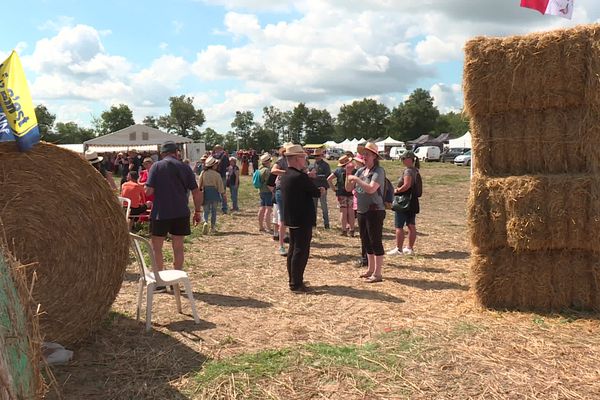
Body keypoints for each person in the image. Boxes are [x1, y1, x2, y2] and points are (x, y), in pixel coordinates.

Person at [145, 141, 203, 283]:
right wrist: (197, 211)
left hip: (161, 213)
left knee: (156, 248)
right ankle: (177, 279)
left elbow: (148, 191)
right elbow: (196, 192)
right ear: (176, 152)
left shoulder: (156, 166)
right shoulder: (185, 167)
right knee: (178, 247)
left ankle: (159, 280)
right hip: (181, 212)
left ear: (162, 153)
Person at [280, 144, 325, 293]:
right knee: (301, 250)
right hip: (302, 218)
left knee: (293, 249)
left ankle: (294, 279)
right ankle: (296, 284)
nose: (305, 160)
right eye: (303, 157)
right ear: (297, 158)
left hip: (292, 218)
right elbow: (316, 192)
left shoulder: (286, 174)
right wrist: (321, 189)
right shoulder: (299, 176)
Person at [345, 142, 386, 283]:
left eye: (367, 154)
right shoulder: (361, 171)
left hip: (374, 210)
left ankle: (378, 273)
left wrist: (356, 179)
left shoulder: (378, 172)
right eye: (364, 153)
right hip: (362, 210)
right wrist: (348, 173)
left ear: (374, 156)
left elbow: (371, 189)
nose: (364, 156)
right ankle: (370, 270)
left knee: (375, 241)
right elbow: (348, 188)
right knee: (366, 241)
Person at [387, 150, 420, 256]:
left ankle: (399, 248)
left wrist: (396, 190)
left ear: (410, 159)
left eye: (404, 159)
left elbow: (406, 185)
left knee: (399, 225)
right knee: (411, 224)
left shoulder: (408, 171)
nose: (402, 161)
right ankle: (409, 248)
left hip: (403, 201)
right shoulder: (416, 170)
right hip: (413, 200)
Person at [327, 154, 355, 236]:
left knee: (343, 211)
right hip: (351, 192)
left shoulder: (338, 170)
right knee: (351, 211)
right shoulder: (353, 170)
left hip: (341, 193)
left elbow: (329, 179)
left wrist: (333, 188)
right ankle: (352, 229)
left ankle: (344, 230)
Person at [272, 143, 292, 256]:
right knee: (283, 219)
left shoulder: (298, 160)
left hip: (293, 190)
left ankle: (290, 243)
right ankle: (281, 246)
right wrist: (288, 173)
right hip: (282, 190)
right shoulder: (281, 160)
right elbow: (273, 170)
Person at [198, 155, 227, 234]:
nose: (217, 166)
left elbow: (199, 184)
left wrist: (199, 192)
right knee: (214, 211)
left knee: (206, 210)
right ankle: (212, 227)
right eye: (216, 164)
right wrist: (223, 194)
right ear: (213, 165)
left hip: (206, 193)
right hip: (214, 193)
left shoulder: (203, 173)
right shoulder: (217, 174)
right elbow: (220, 186)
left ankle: (205, 222)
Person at [309, 148, 331, 229]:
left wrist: (316, 176)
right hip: (314, 187)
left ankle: (326, 224)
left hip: (322, 187)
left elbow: (327, 176)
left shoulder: (326, 165)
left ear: (321, 155)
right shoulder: (311, 165)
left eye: (318, 155)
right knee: (313, 207)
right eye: (315, 156)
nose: (316, 157)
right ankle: (313, 223)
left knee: (324, 206)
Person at [257, 153, 273, 232]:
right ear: (267, 162)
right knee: (268, 209)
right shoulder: (267, 170)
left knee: (262, 208)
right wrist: (273, 192)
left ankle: (261, 226)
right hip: (267, 191)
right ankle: (268, 227)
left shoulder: (260, 169)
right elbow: (269, 183)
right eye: (270, 161)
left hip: (261, 191)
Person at [212, 144, 229, 213]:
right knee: (223, 192)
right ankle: (224, 208)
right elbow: (227, 165)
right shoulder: (224, 156)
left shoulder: (213, 156)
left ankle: (216, 208)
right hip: (222, 175)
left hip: (215, 175)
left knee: (215, 192)